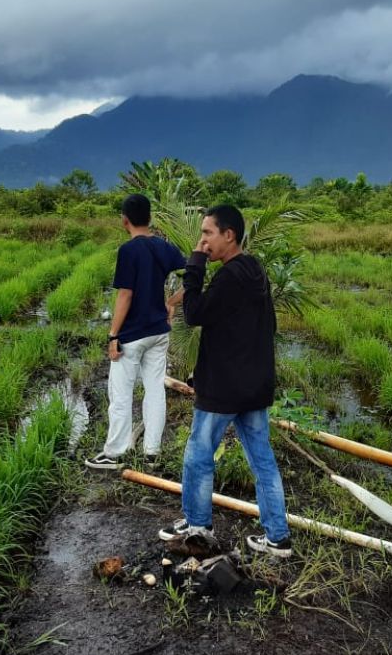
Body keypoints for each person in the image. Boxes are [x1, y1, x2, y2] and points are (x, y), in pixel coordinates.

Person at [157, 204, 291, 557]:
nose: (202, 241)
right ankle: (278, 537)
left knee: (198, 455)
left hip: (225, 388)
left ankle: (198, 524)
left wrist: (195, 265)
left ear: (228, 235)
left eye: (207, 233)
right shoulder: (255, 270)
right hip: (254, 386)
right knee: (262, 460)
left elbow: (196, 313)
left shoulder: (229, 276)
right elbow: (267, 327)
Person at [85, 193, 186, 470]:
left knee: (121, 392)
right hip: (159, 332)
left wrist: (113, 334)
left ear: (124, 220)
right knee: (155, 389)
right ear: (150, 218)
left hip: (133, 334)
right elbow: (193, 279)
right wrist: (172, 302)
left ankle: (114, 454)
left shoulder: (128, 251)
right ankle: (151, 453)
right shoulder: (165, 247)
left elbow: (125, 295)